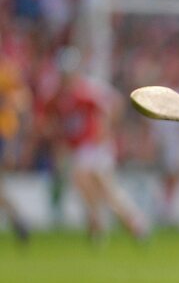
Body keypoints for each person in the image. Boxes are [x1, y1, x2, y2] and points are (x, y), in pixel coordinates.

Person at [39, 47, 149, 242]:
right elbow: (51, 119)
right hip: (80, 148)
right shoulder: (58, 96)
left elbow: (114, 104)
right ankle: (113, 224)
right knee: (91, 186)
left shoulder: (87, 90)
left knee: (101, 186)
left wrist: (105, 130)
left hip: (96, 146)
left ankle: (125, 223)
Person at [0, 53, 31, 242]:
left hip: (3, 135)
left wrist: (12, 148)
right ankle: (18, 220)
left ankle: (19, 220)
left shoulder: (8, 73)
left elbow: (23, 101)